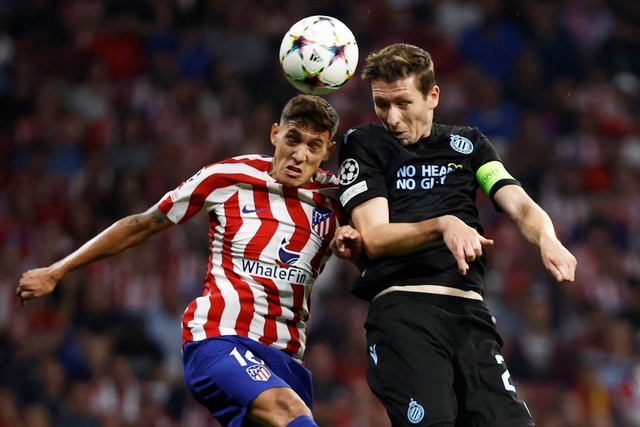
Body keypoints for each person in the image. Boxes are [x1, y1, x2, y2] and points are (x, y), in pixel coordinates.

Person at [16, 94, 362, 427]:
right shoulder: (228, 177)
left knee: (290, 410)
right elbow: (142, 224)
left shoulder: (336, 200)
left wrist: (356, 245)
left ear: (327, 151)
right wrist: (57, 269)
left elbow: (376, 252)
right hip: (219, 338)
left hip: (285, 359)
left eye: (313, 146)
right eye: (293, 139)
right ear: (275, 134)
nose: (299, 155)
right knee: (289, 411)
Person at [335, 43, 577, 426]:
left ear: (433, 96)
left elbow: (518, 203)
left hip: (470, 316)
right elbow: (375, 237)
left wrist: (548, 238)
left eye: (403, 102)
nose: (392, 118)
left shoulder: (468, 146)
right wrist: (442, 224)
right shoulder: (364, 143)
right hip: (405, 314)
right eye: (382, 105)